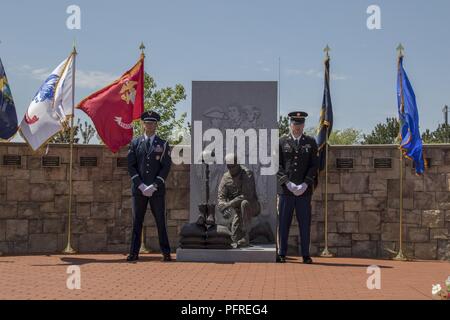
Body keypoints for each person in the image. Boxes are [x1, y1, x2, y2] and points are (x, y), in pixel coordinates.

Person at [126, 111, 172, 262]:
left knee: (160, 220)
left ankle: (165, 253)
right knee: (137, 221)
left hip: (156, 190)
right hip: (139, 190)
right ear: (143, 124)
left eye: (152, 123)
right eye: (147, 122)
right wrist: (140, 185)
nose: (149, 125)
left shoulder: (163, 144)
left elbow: (165, 167)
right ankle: (133, 253)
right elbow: (131, 166)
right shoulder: (135, 143)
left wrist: (154, 185)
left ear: (156, 125)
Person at [277, 111, 318, 264]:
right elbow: (278, 165)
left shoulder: (310, 142)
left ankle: (306, 254)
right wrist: (287, 182)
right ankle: (282, 253)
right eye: (295, 124)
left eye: (300, 124)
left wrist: (306, 183)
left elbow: (314, 165)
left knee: (304, 222)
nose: (298, 127)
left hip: (304, 191)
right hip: (286, 191)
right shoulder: (282, 141)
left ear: (303, 125)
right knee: (283, 222)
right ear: (290, 125)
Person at [217, 154, 261, 248]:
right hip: (237, 210)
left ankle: (246, 236)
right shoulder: (225, 178)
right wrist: (223, 209)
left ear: (238, 164)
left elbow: (247, 196)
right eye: (229, 166)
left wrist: (228, 204)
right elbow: (221, 197)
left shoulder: (247, 173)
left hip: (252, 206)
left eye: (233, 166)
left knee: (244, 204)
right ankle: (263, 230)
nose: (231, 169)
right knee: (234, 238)